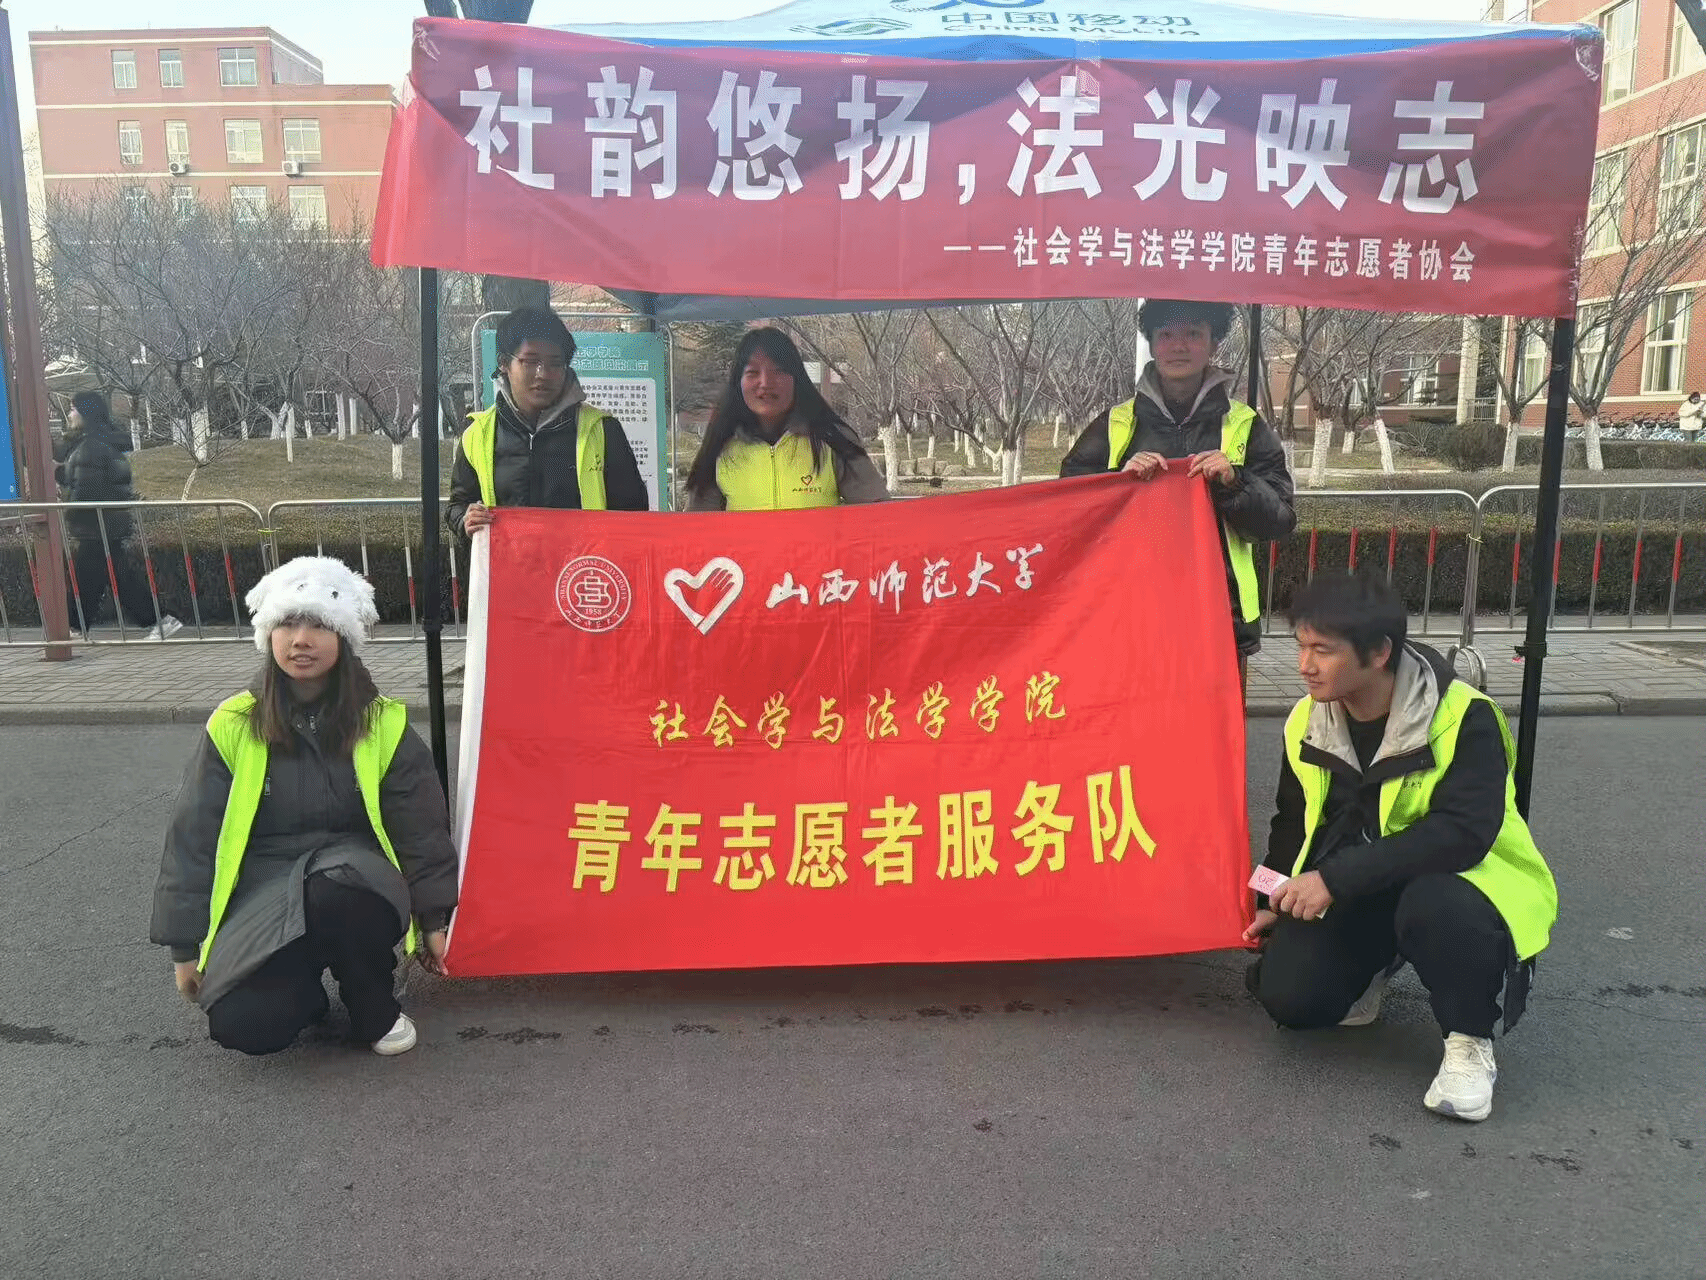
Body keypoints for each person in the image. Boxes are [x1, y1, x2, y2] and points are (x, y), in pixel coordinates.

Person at [1244, 571, 1558, 1122]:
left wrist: (1333, 880)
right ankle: (1377, 963)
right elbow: (1293, 820)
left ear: (1379, 652)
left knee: (1435, 905)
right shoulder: (1306, 717)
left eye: (1323, 650)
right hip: (1363, 884)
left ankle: (1469, 1040)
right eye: (1300, 646)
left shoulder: (1463, 716)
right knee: (1291, 999)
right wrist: (1270, 896)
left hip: (1458, 883)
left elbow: (1461, 836)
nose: (1304, 665)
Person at [150, 556, 458, 1057]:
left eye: (319, 625)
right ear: (268, 634)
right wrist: (184, 947)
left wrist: (433, 919)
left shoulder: (383, 723)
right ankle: (306, 988)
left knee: (334, 890)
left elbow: (421, 828)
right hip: (267, 889)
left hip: (358, 883)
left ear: (345, 637)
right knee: (244, 1026)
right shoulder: (233, 722)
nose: (300, 640)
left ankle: (372, 1000)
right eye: (287, 624)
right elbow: (193, 838)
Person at [1060, 299, 1295, 685]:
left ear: (1214, 343)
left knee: (1215, 726)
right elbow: (1068, 509)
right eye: (1166, 334)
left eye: (1193, 334)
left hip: (1220, 620)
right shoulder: (1115, 424)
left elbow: (1279, 520)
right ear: (1152, 344)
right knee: (1137, 724)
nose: (1178, 346)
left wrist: (1235, 481)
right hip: (1128, 617)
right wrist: (1118, 482)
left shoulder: (1245, 425)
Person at [447, 306, 649, 541]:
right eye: (531, 361)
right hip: (509, 564)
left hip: (582, 564)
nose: (543, 374)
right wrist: (465, 519)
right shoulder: (478, 435)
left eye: (555, 363)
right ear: (504, 363)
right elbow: (457, 505)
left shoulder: (603, 431)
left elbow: (634, 514)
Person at [684, 326, 889, 510]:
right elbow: (695, 531)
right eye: (753, 372)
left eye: (779, 371)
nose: (766, 382)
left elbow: (880, 519)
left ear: (797, 379)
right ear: (738, 383)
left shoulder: (833, 438)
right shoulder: (720, 445)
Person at [53, 391, 182, 641]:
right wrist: (61, 473)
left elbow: (87, 488)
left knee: (103, 578)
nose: (70, 414)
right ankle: (77, 627)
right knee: (104, 577)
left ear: (85, 412)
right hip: (104, 523)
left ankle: (157, 620)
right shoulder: (100, 441)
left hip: (95, 525)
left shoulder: (90, 446)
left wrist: (70, 513)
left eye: (73, 409)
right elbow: (87, 478)